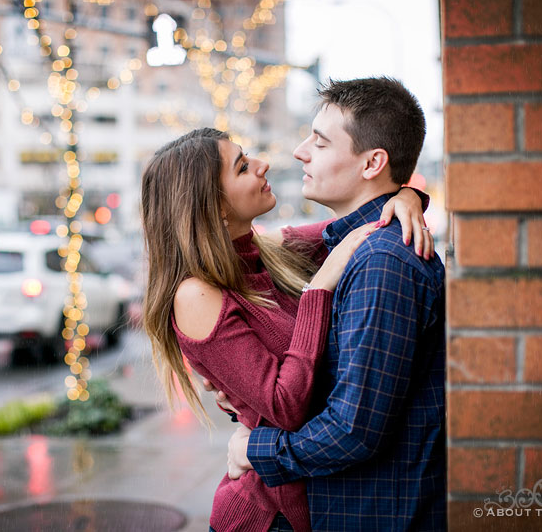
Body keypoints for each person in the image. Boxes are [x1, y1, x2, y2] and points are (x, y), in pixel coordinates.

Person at [140, 126, 432, 532]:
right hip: (268, 515)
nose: (263, 165)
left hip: (317, 495)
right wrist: (319, 290)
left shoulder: (271, 250)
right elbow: (285, 406)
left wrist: (407, 196)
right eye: (243, 167)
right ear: (215, 207)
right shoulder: (195, 295)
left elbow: (363, 220)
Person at [223, 77, 446, 531]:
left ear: (372, 163)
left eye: (320, 143)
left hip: (374, 511)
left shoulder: (380, 262)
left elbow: (353, 430)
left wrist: (253, 449)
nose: (300, 152)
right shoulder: (352, 246)